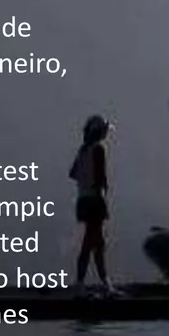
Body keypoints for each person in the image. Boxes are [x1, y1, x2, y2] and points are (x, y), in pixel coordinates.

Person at [69, 114, 111, 293]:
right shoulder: (98, 149)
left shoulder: (83, 150)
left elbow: (73, 173)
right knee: (90, 241)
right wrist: (102, 194)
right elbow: (101, 177)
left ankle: (105, 282)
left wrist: (85, 179)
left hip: (83, 198)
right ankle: (81, 282)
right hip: (95, 199)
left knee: (98, 242)